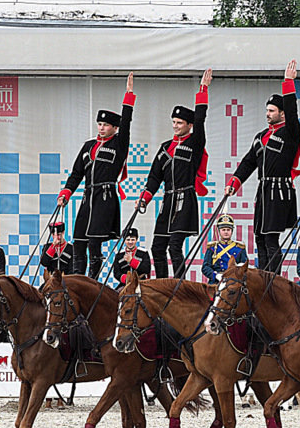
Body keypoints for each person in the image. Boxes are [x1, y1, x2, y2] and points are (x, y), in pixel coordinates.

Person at [229, 60, 300, 275]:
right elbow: (248, 162)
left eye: (272, 110)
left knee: (271, 238)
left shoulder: (290, 132)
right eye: (267, 110)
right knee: (260, 238)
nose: (267, 114)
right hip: (263, 191)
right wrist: (234, 182)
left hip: (278, 190)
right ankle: (262, 277)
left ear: (282, 113)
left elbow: (293, 113)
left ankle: (273, 281)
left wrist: (289, 84)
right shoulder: (261, 137)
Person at [58, 72, 136, 279]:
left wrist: (128, 98)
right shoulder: (88, 146)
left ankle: (91, 281)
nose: (101, 128)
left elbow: (126, 125)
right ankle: (77, 280)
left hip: (105, 197)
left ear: (114, 128)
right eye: (99, 125)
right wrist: (65, 193)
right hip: (87, 198)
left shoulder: (118, 144)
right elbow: (76, 174)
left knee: (94, 242)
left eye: (106, 125)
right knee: (79, 241)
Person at [139, 69, 212, 279]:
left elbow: (200, 119)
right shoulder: (164, 148)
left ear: (189, 125)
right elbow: (154, 177)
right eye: (173, 122)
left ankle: (179, 286)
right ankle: (162, 284)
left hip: (185, 199)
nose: (175, 126)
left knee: (174, 246)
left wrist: (203, 90)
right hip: (167, 201)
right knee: (157, 248)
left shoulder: (195, 143)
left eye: (179, 123)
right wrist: (144, 198)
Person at [201, 214, 247, 284]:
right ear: (219, 231)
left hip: (233, 282)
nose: (226, 232)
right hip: (216, 282)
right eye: (223, 230)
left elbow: (244, 267)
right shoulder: (212, 248)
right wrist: (215, 275)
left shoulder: (239, 248)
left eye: (228, 230)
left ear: (232, 231)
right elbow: (205, 267)